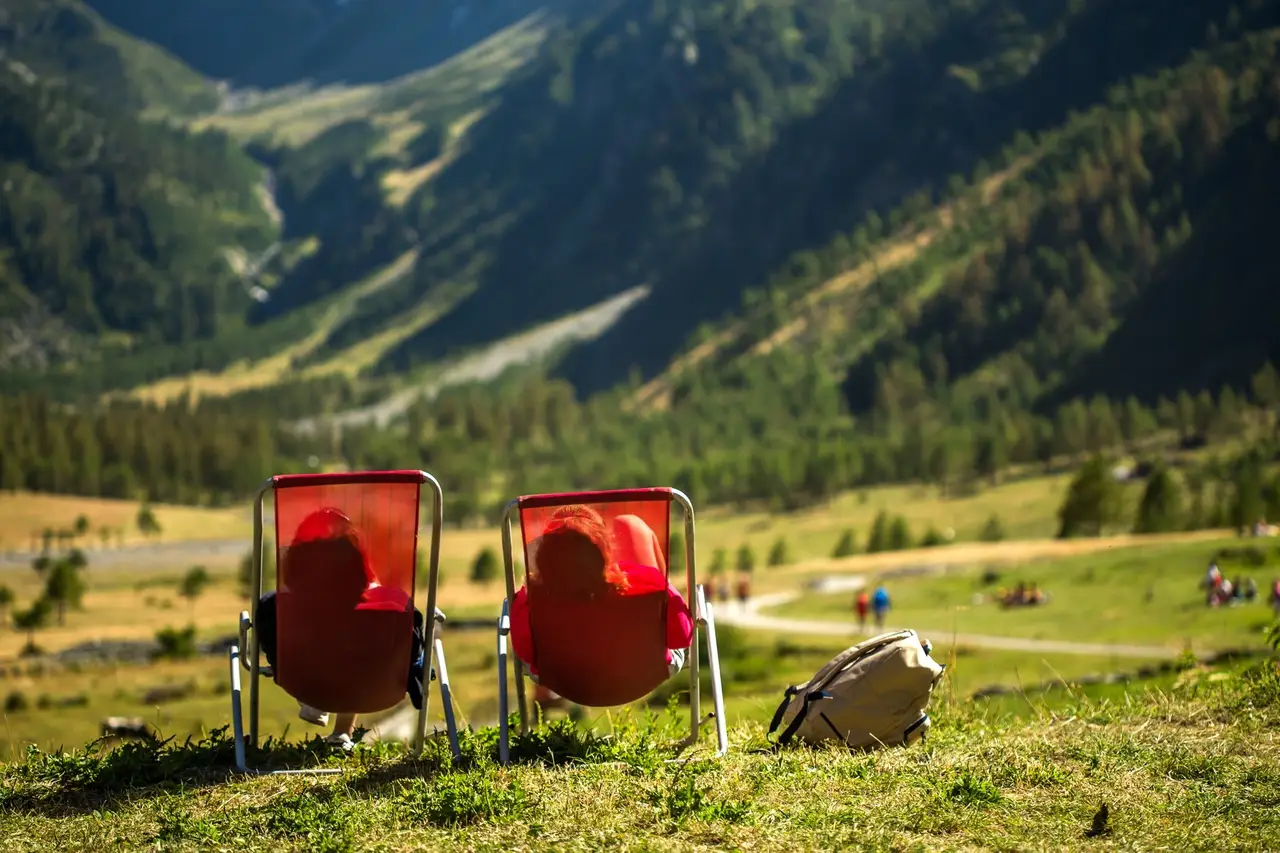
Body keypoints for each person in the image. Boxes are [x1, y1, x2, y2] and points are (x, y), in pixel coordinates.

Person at [254, 507, 428, 752]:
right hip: (374, 688)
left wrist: (288, 580)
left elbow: (276, 645)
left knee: (318, 636)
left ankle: (314, 702)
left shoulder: (276, 608)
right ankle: (342, 734)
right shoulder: (393, 606)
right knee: (357, 653)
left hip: (303, 681)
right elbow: (413, 653)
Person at [509, 505, 693, 682]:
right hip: (644, 674)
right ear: (605, 548)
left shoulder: (536, 599)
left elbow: (524, 650)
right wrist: (663, 583)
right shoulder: (645, 579)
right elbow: (682, 637)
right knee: (632, 525)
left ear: (546, 554)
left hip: (562, 680)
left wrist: (528, 591)